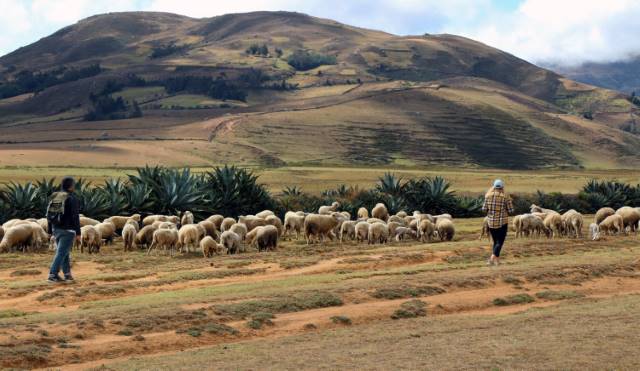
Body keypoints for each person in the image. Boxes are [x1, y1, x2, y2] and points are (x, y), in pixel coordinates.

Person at [47, 176, 81, 283]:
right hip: (68, 231)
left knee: (64, 252)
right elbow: (75, 216)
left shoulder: (56, 196)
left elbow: (49, 215)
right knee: (61, 252)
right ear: (71, 187)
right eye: (73, 185)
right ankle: (53, 274)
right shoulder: (71, 198)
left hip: (56, 229)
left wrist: (49, 231)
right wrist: (78, 233)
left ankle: (67, 275)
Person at [482, 179, 514, 266]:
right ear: (502, 187)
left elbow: (484, 209)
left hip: (491, 222)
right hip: (502, 223)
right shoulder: (505, 197)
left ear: (494, 187)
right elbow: (511, 210)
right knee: (500, 242)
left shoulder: (487, 196)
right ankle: (491, 259)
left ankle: (497, 261)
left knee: (495, 242)